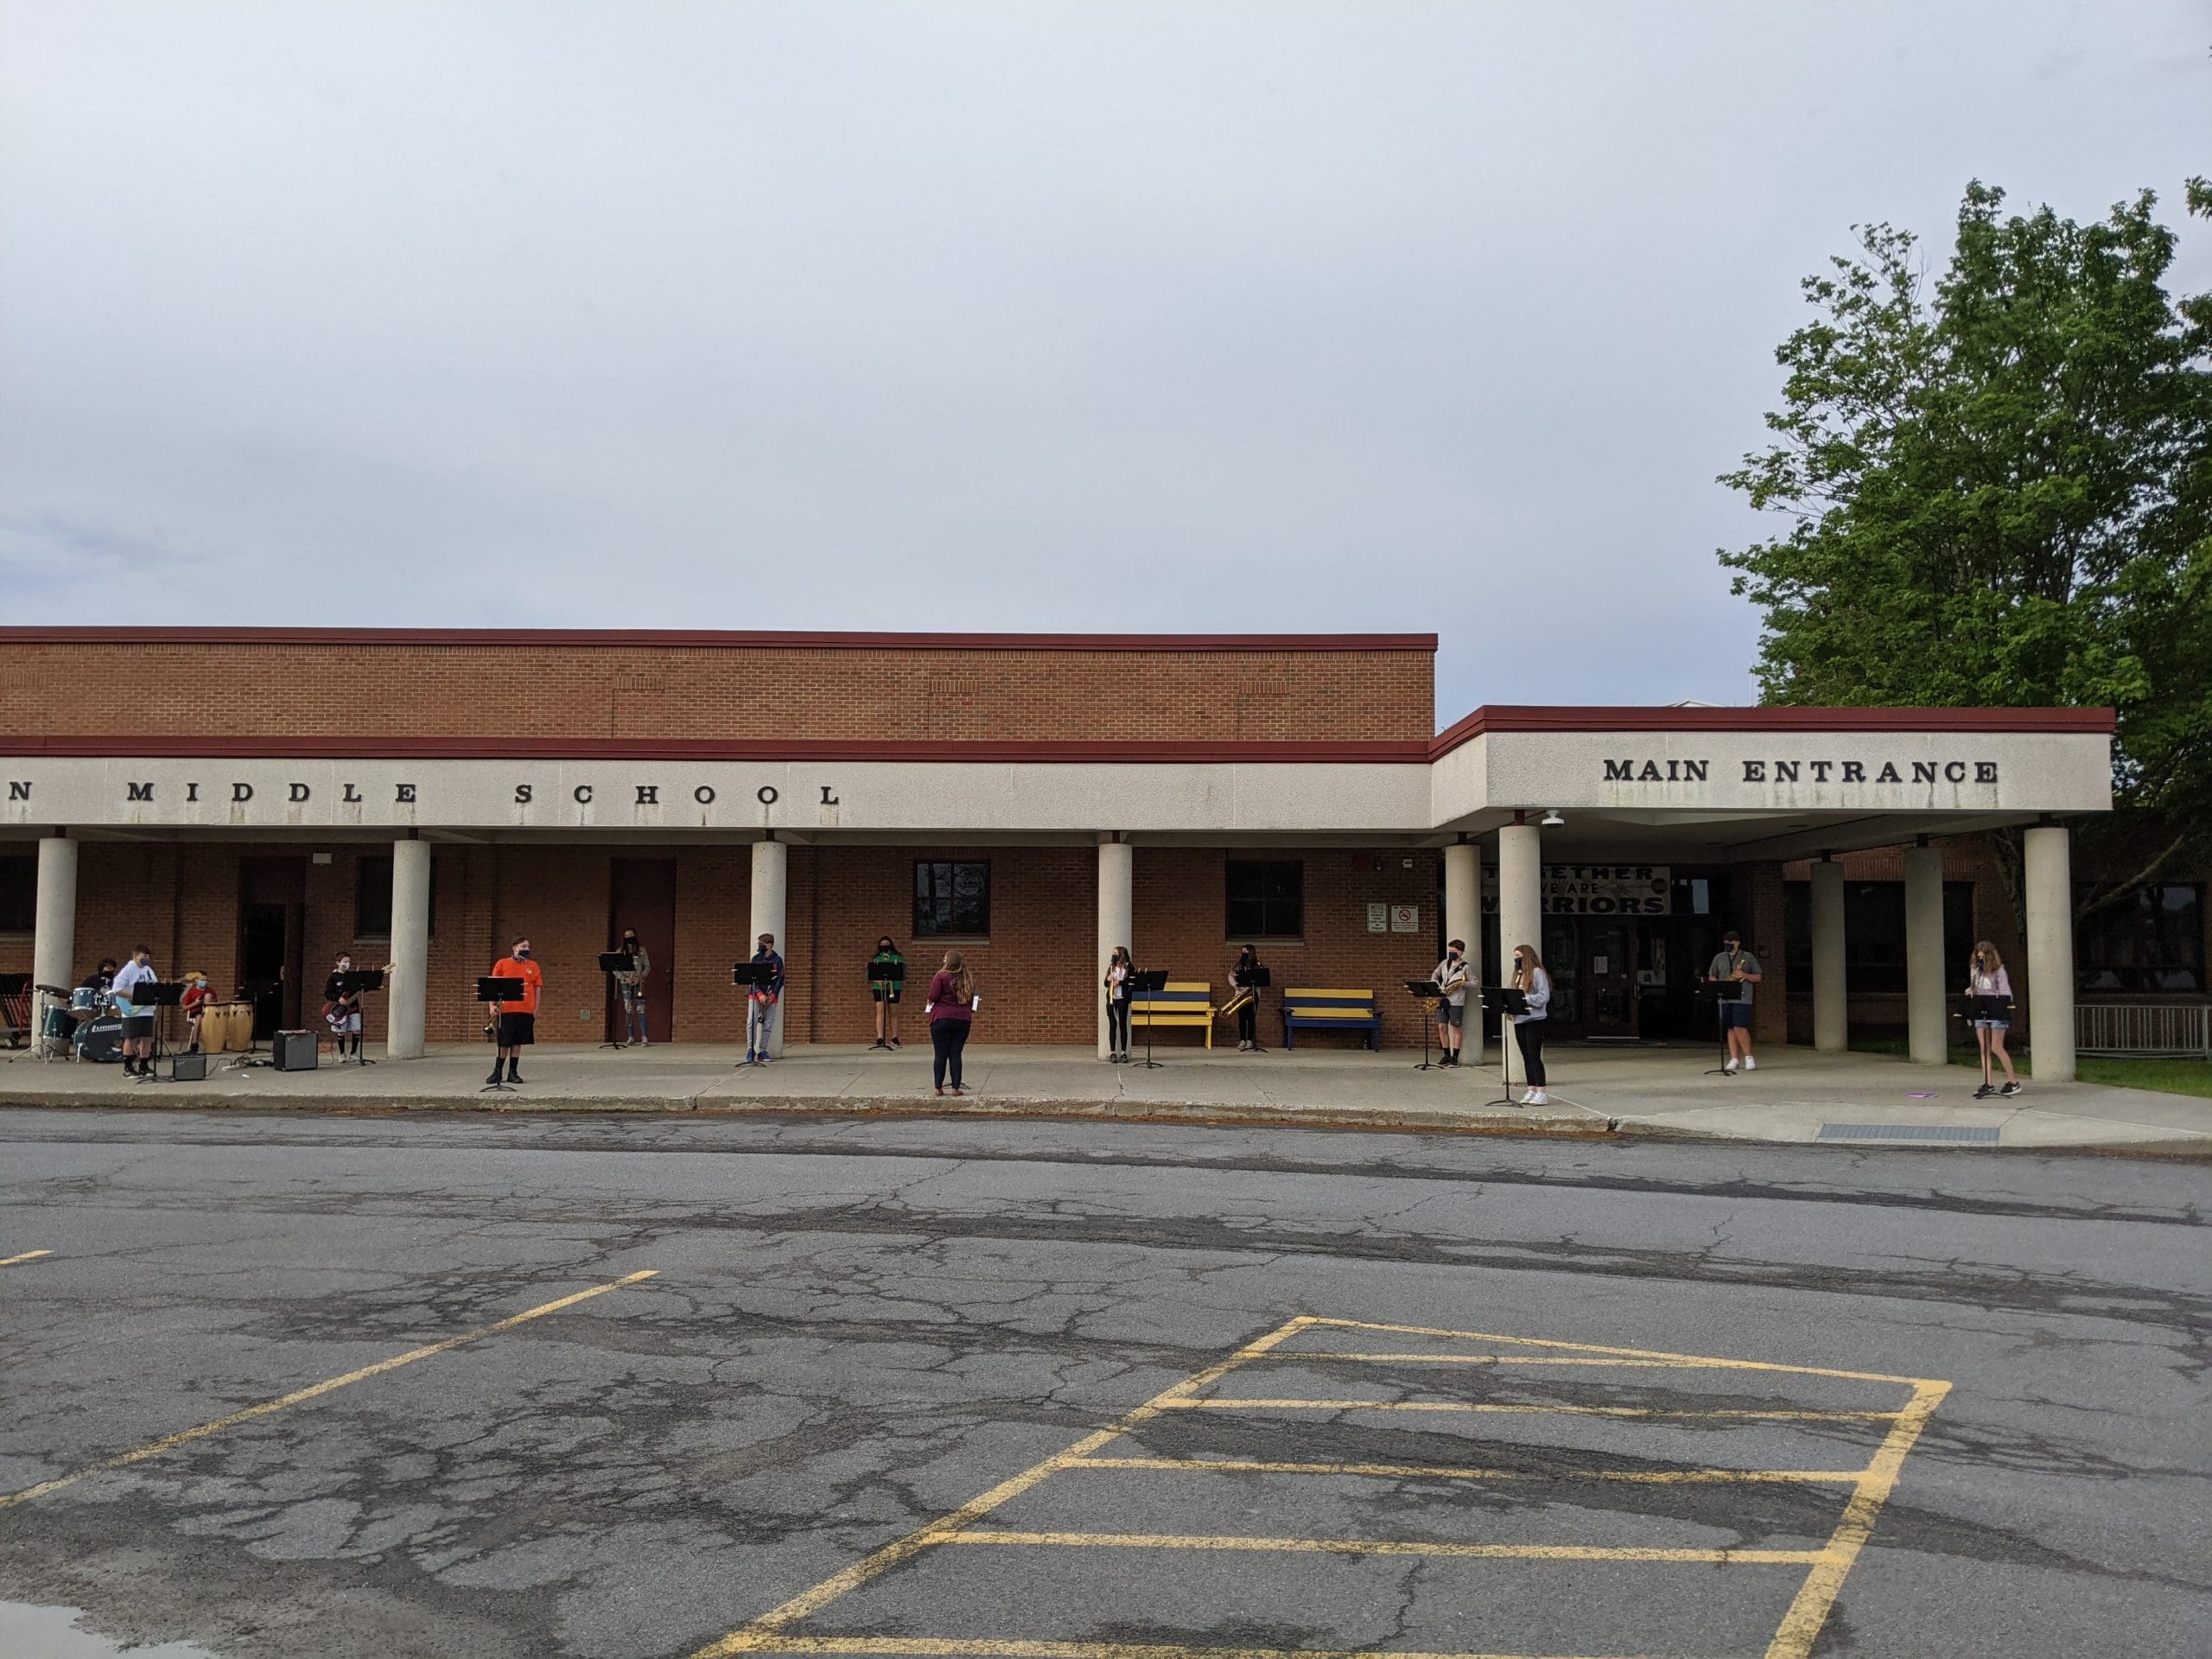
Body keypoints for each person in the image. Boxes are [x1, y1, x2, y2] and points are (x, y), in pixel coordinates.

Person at [1967, 940, 2020, 1098]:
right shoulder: (1975, 970)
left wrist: (1997, 998)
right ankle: (1987, 1082)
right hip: (1981, 1010)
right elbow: (1975, 988)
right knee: (1984, 1047)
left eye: (1983, 959)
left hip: (1996, 1010)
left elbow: (2006, 993)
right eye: (1978, 958)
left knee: (1996, 1047)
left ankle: (2013, 1081)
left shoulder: (1999, 971)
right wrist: (1971, 991)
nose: (1980, 962)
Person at [1705, 930, 1764, 1073]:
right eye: (1725, 943)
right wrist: (1715, 982)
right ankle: (1734, 1058)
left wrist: (1744, 974)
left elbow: (1758, 977)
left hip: (1742, 996)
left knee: (1740, 1026)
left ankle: (1749, 1057)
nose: (1727, 945)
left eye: (1730, 943)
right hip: (1725, 997)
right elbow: (1712, 976)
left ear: (1737, 943)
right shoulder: (1719, 957)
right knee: (1730, 1027)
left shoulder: (1747, 957)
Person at [488, 937, 543, 1086]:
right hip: (506, 1009)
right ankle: (497, 1071)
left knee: (518, 1042)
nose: (526, 948)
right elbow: (493, 986)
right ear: (514, 948)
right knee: (504, 1042)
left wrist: (535, 1009)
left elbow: (537, 989)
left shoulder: (534, 965)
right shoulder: (502, 963)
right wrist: (492, 1007)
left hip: (525, 1010)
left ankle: (513, 1072)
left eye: (528, 946)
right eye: (523, 946)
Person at [925, 948, 977, 1096]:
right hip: (962, 1019)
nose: (943, 960)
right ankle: (956, 1088)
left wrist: (929, 1000)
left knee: (940, 1054)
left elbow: (934, 996)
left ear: (948, 962)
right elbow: (971, 1000)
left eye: (944, 958)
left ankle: (938, 1088)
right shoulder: (968, 979)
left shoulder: (940, 977)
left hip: (941, 1018)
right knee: (956, 1053)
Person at [1510, 942, 1552, 1105]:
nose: (1516, 960)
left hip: (1535, 1019)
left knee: (1534, 1055)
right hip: (1520, 1019)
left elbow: (1544, 996)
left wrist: (1525, 999)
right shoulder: (1518, 974)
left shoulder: (1537, 973)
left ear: (1527, 957)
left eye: (1519, 957)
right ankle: (1531, 1089)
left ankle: (1542, 1091)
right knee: (1526, 1056)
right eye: (1515, 957)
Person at [111, 946, 158, 1078]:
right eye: (144, 956)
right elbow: (117, 989)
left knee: (147, 1039)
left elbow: (154, 987)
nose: (147, 959)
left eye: (148, 957)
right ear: (135, 956)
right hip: (133, 1010)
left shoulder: (149, 970)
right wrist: (135, 996)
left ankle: (144, 1066)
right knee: (132, 1038)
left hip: (147, 1010)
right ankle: (128, 1067)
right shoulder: (128, 970)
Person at [1431, 938, 1472, 1066]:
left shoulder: (1466, 967)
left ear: (1460, 952)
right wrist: (1437, 986)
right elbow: (1435, 974)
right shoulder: (1445, 963)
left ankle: (1455, 1057)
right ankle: (1446, 1055)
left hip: (1456, 1001)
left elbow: (1475, 983)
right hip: (1443, 998)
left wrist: (1462, 984)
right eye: (1449, 951)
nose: (1451, 953)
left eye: (1453, 951)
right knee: (1441, 1027)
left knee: (1456, 1028)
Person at [745, 933, 785, 1064]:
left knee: (768, 1024)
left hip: (771, 995)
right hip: (756, 995)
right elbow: (751, 978)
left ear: (770, 945)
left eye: (762, 944)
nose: (760, 946)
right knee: (752, 1022)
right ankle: (751, 1050)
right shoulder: (755, 959)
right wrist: (760, 994)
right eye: (759, 943)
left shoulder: (778, 960)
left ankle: (762, 1051)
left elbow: (780, 980)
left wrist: (772, 995)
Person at [324, 952, 365, 1061]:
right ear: (338, 963)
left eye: (349, 961)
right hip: (340, 1008)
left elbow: (358, 989)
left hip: (353, 1007)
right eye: (345, 961)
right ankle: (342, 1054)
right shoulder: (333, 977)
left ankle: (353, 1053)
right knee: (341, 1031)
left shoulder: (352, 976)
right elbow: (328, 993)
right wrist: (338, 998)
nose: (347, 964)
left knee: (357, 1029)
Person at [614, 927, 651, 1046]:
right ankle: (630, 1036)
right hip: (625, 984)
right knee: (628, 1009)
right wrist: (623, 978)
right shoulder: (620, 951)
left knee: (640, 1009)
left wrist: (640, 977)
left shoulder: (642, 950)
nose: (629, 938)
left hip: (638, 984)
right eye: (626, 936)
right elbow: (615, 969)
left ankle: (644, 1037)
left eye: (631, 935)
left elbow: (647, 967)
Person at [869, 937, 906, 1050]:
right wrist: (877, 980)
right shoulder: (876, 958)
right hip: (879, 987)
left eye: (887, 943)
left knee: (893, 1012)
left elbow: (902, 972)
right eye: (883, 943)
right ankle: (880, 1038)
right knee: (880, 1012)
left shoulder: (898, 957)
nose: (885, 945)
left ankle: (894, 1037)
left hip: (894, 987)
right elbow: (869, 974)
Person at [1227, 945, 1264, 1052]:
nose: (1244, 955)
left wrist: (1246, 990)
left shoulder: (1257, 965)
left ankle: (1250, 1040)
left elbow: (1259, 979)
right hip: (1240, 994)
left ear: (1251, 953)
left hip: (1252, 994)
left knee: (1251, 1018)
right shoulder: (1238, 964)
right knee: (1242, 1019)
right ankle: (1242, 1040)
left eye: (1246, 953)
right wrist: (1236, 988)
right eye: (1242, 952)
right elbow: (1231, 975)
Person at [1103, 945, 1134, 1063]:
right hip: (1112, 998)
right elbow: (1105, 984)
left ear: (1121, 954)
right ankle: (1112, 1052)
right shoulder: (1112, 967)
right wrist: (1108, 979)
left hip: (1122, 999)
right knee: (1112, 1025)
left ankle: (1124, 1053)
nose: (1113, 955)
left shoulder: (1129, 967)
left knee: (1122, 1025)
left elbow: (1130, 982)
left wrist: (1119, 982)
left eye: (1115, 953)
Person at [180, 971, 212, 1052]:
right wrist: (196, 1003)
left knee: (208, 995)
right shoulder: (192, 992)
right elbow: (184, 1008)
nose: (204, 982)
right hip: (196, 1012)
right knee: (199, 1017)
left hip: (210, 1012)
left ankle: (218, 1043)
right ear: (196, 981)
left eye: (206, 980)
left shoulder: (211, 991)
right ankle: (195, 1044)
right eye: (202, 980)